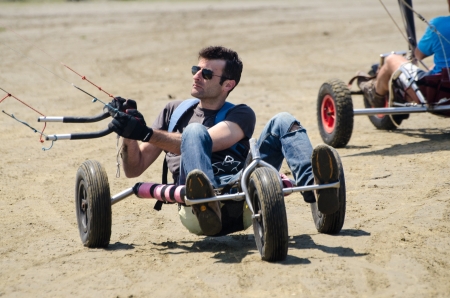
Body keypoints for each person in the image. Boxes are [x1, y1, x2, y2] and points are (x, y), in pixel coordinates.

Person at [107, 46, 341, 237]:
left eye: (206, 74)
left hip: (243, 192)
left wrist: (146, 133)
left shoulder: (241, 113)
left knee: (284, 120)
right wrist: (129, 133)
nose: (196, 76)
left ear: (228, 84)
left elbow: (210, 141)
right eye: (195, 70)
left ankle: (317, 189)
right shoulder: (173, 112)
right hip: (196, 205)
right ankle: (207, 201)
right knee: (194, 131)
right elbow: (133, 169)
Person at [358, 0, 450, 107]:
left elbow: (419, 55)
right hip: (443, 85)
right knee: (435, 67)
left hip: (438, 95)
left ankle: (376, 96)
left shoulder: (438, 24)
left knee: (392, 59)